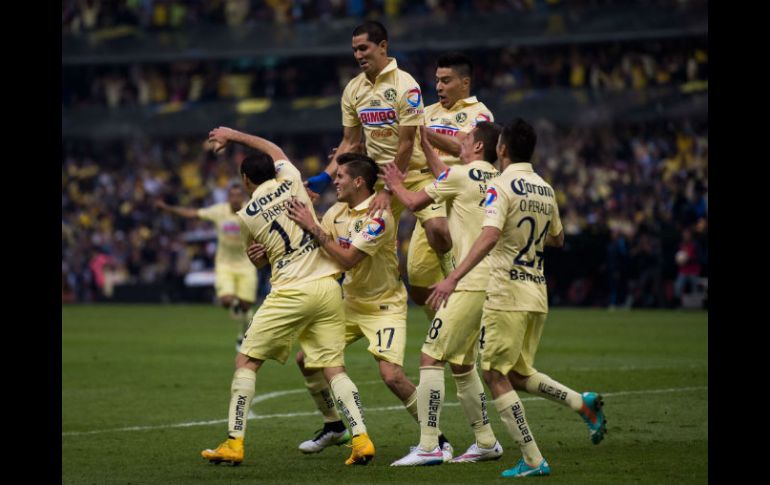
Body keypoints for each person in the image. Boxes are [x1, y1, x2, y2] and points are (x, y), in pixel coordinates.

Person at [427, 119, 607, 478]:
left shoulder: (500, 185)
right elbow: (557, 239)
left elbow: (490, 235)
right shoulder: (545, 189)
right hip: (536, 291)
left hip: (505, 291)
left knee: (494, 373)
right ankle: (580, 402)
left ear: (502, 149)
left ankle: (533, 459)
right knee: (518, 374)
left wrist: (453, 277)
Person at [200, 135, 375, 467]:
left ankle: (234, 442)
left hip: (290, 292)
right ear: (274, 170)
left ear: (246, 180)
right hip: (327, 287)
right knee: (333, 368)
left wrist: (258, 258)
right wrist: (233, 134)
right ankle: (361, 439)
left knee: (246, 361)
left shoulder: (246, 215)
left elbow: (259, 259)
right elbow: (274, 149)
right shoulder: (292, 178)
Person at [286, 152, 452, 460]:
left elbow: (348, 258)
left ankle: (438, 439)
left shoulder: (380, 215)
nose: (334, 181)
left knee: (392, 376)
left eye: (340, 177)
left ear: (359, 182)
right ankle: (334, 426)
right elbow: (318, 248)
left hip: (384, 306)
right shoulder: (335, 212)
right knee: (306, 359)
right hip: (349, 302)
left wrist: (313, 227)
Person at [304, 20, 454, 313]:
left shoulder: (406, 86)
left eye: (364, 48)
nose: (358, 55)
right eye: (354, 50)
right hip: (378, 180)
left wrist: (389, 190)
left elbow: (406, 144)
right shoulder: (353, 89)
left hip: (415, 175)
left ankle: (453, 276)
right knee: (361, 243)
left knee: (438, 228)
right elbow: (350, 141)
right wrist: (323, 178)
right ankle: (375, 303)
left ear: (383, 46)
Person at [382, 122, 505, 466]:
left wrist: (394, 184)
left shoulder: (460, 176)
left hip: (469, 282)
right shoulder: (497, 180)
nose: (459, 142)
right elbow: (449, 177)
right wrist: (426, 144)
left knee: (430, 356)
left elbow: (413, 201)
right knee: (462, 364)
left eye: (466, 138)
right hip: (496, 282)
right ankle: (486, 441)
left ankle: (429, 446)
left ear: (478, 146)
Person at [408, 52, 496, 318]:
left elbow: (462, 148)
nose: (438, 87)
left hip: (462, 199)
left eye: (446, 81)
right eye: (437, 80)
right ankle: (442, 324)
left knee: (466, 276)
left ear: (465, 82)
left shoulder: (481, 115)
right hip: (430, 191)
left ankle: (464, 327)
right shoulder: (426, 112)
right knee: (417, 278)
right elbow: (406, 146)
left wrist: (422, 131)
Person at [155, 183, 256, 349]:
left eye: (238, 195)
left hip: (247, 264)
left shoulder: (252, 211)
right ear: (228, 197)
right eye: (232, 195)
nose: (235, 199)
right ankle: (239, 312)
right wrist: (167, 208)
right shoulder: (219, 211)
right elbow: (192, 213)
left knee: (246, 305)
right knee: (226, 301)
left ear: (243, 197)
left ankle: (243, 333)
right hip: (224, 264)